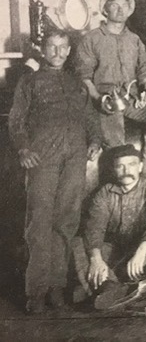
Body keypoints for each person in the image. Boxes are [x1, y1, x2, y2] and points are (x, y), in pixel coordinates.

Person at [8, 30, 102, 314]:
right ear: (43, 49)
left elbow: (90, 117)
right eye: (52, 47)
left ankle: (56, 288)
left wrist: (95, 140)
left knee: (66, 222)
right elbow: (16, 120)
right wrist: (24, 149)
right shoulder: (30, 81)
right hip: (42, 157)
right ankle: (35, 292)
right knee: (39, 223)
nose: (58, 53)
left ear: (69, 50)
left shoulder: (76, 83)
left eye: (63, 48)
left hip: (74, 157)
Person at [75, 0, 146, 179]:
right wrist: (99, 98)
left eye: (124, 7)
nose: (120, 11)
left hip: (133, 98)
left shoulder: (134, 40)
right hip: (105, 100)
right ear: (105, 10)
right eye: (114, 6)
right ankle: (119, 183)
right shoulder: (91, 39)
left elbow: (144, 69)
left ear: (130, 11)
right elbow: (83, 77)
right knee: (116, 140)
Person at [72, 145, 146, 309]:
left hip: (143, 248)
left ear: (140, 166)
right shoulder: (105, 193)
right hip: (116, 248)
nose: (126, 170)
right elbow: (94, 227)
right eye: (120, 166)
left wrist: (140, 252)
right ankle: (114, 287)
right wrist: (96, 259)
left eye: (132, 164)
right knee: (78, 244)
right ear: (113, 170)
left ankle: (102, 287)